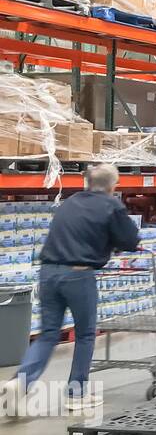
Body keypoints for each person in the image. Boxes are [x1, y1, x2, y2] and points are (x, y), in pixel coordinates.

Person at [1, 164, 141, 416]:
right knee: (86, 335)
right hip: (78, 274)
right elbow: (130, 240)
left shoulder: (71, 201)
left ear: (87, 182)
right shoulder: (111, 206)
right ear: (113, 185)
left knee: (47, 335)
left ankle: (20, 381)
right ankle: (76, 395)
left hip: (47, 272)